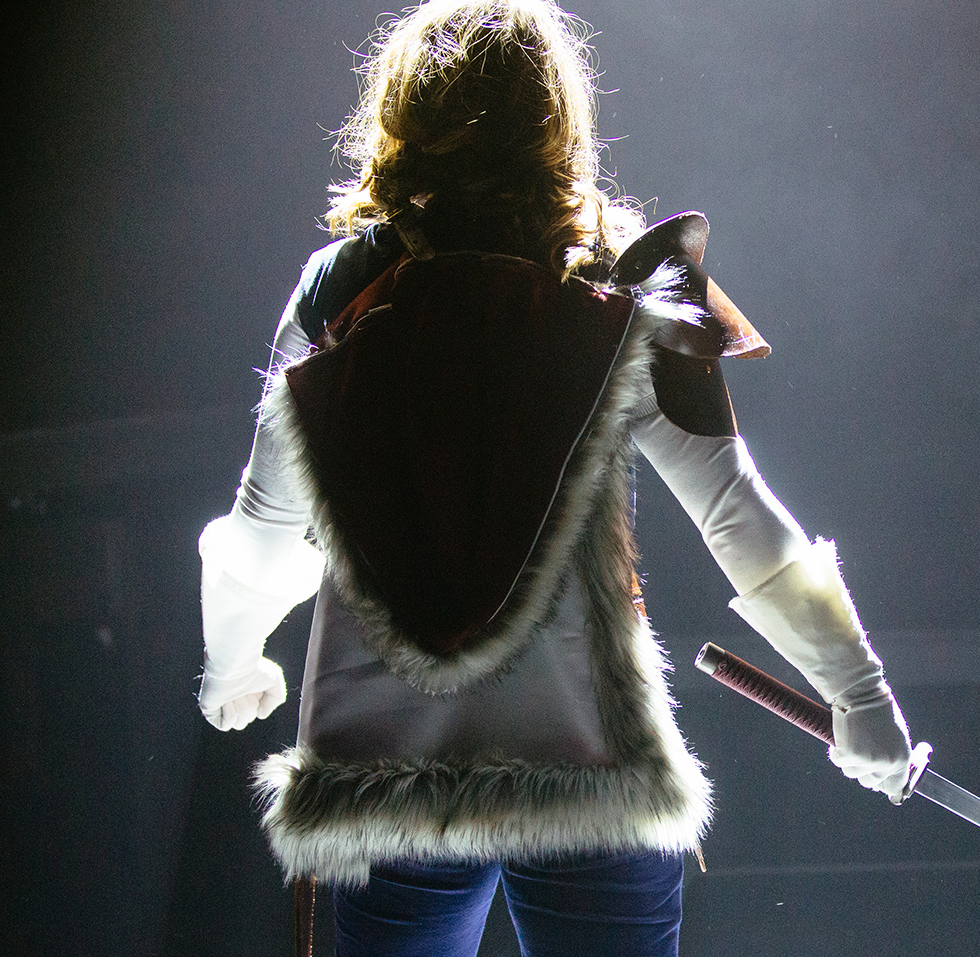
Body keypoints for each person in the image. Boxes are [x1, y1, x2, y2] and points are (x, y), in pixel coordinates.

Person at [193, 2, 914, 954]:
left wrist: (232, 660)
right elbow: (741, 520)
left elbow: (263, 534)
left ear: (402, 118)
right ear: (558, 126)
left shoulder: (338, 290)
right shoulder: (625, 289)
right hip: (590, 771)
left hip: (390, 779)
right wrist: (858, 693)